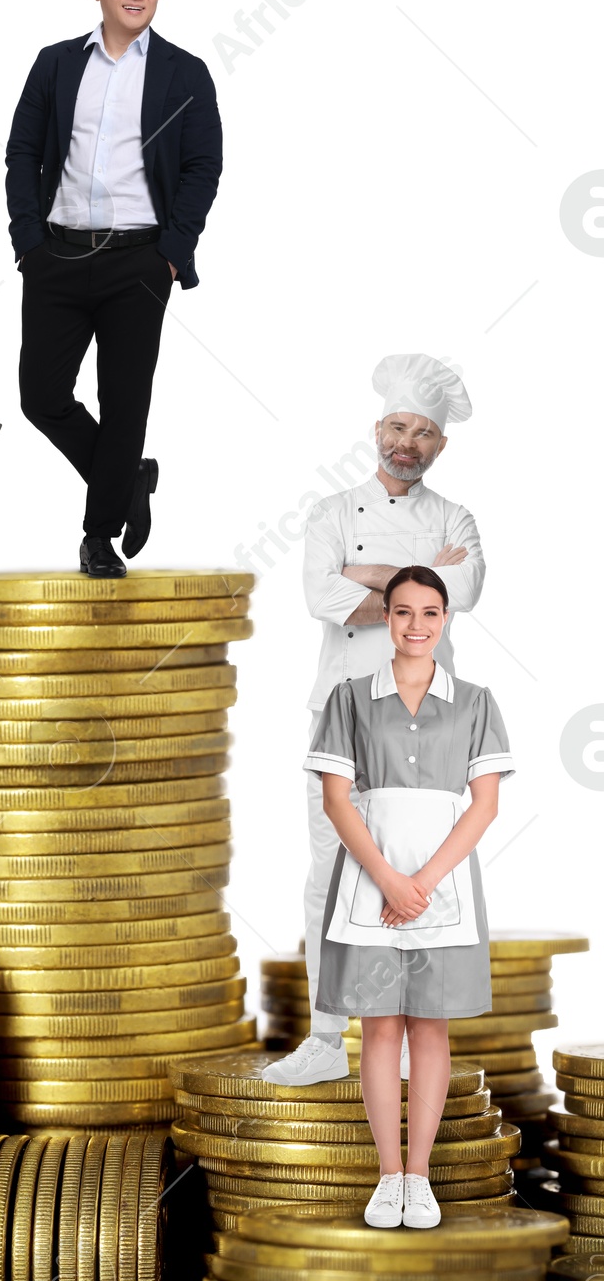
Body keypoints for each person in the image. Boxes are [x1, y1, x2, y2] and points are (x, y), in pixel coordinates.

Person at [267, 353, 484, 1086]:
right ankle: (327, 1040)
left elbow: (465, 588)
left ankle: (421, 1043)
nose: (408, 442)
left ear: (440, 446)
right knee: (330, 873)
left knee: (426, 874)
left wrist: (369, 580)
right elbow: (320, 598)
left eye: (424, 432)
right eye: (398, 426)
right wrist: (420, 582)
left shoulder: (457, 518)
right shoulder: (332, 512)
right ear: (377, 428)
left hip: (429, 715)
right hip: (342, 712)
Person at [5, 0, 223, 579]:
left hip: (140, 259)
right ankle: (128, 479)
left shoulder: (186, 72)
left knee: (125, 399)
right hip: (57, 255)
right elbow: (23, 153)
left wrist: (172, 253)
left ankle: (99, 535)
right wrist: (28, 243)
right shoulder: (55, 63)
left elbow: (202, 166)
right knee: (41, 396)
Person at [302, 566, 510, 1229]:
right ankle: (386, 1175)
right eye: (402, 613)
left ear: (446, 620)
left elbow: (483, 807)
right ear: (384, 618)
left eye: (429, 613)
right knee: (379, 1026)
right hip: (368, 877)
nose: (416, 626)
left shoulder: (476, 701)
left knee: (430, 1024)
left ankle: (420, 1176)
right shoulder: (349, 698)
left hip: (444, 882)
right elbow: (337, 799)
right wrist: (390, 880)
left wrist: (422, 882)